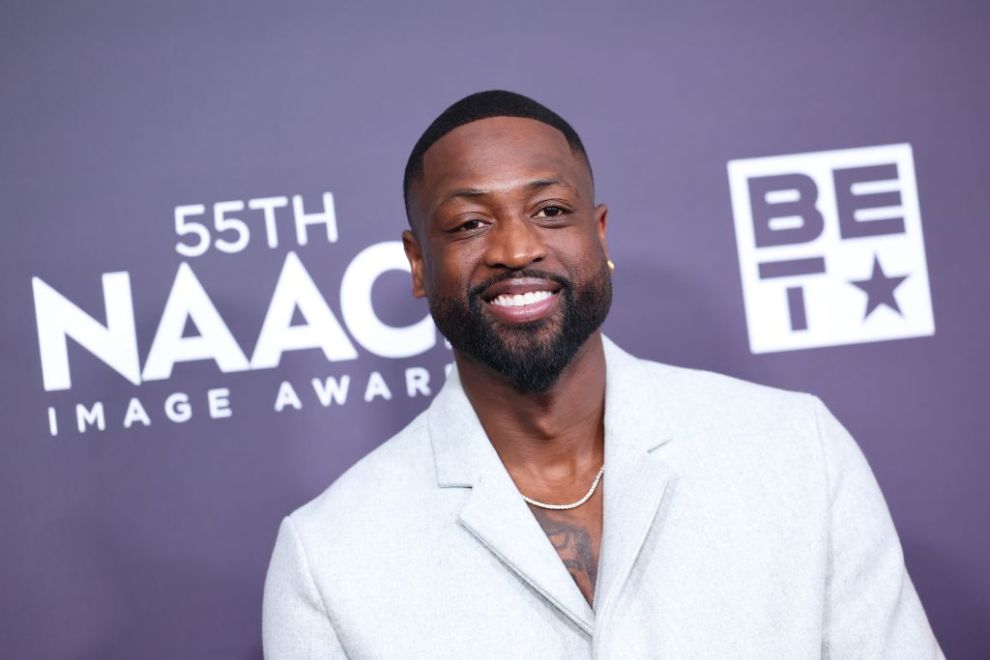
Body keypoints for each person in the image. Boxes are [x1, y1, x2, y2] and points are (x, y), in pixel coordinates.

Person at [262, 90, 942, 658]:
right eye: (469, 223)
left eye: (550, 211)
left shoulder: (795, 448)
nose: (516, 248)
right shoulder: (328, 559)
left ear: (600, 232)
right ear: (417, 265)